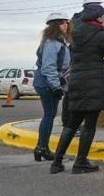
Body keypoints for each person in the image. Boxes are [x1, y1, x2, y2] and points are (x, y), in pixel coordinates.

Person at [49, 0, 104, 174]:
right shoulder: (101, 35)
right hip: (94, 82)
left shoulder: (75, 34)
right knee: (89, 125)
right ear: (97, 17)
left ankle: (56, 162)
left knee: (72, 124)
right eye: (102, 15)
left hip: (77, 82)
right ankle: (80, 162)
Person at [33, 12, 71, 162]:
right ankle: (42, 148)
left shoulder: (59, 42)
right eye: (62, 23)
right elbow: (49, 68)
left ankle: (41, 147)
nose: (66, 25)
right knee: (49, 115)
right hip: (47, 83)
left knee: (50, 114)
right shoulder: (51, 43)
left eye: (66, 22)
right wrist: (56, 87)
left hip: (48, 82)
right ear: (55, 26)